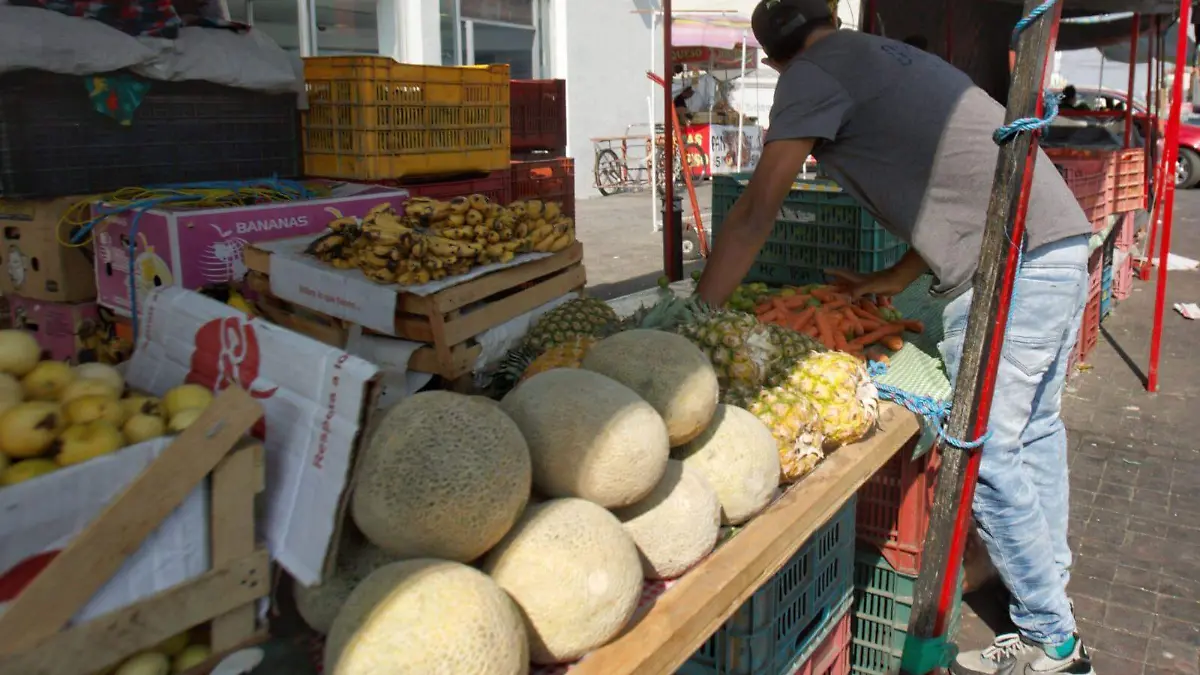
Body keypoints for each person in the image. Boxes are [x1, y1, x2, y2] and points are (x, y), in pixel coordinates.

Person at [696, 2, 1095, 674]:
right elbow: (948, 181)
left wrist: (700, 318)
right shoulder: (886, 55)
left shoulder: (811, 75)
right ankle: (1047, 592)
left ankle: (1052, 640)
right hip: (1056, 241)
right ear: (827, 17)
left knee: (988, 453)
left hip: (1011, 267)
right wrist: (891, 276)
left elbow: (757, 209)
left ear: (773, 60)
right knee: (1034, 434)